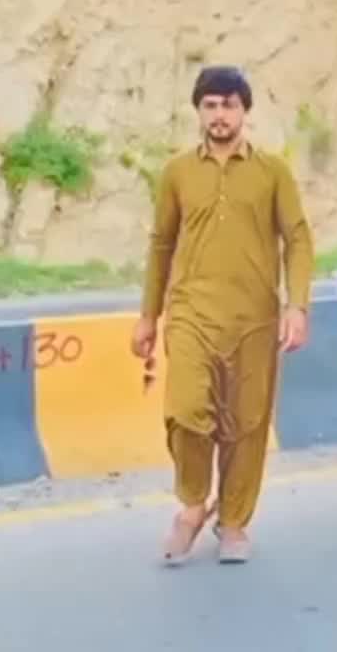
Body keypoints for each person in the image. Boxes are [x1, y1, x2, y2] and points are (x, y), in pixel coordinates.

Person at [131, 67, 313, 565]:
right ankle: (193, 503)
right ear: (198, 112)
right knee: (185, 410)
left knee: (246, 425)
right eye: (210, 105)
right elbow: (161, 244)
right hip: (191, 313)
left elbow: (297, 238)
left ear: (244, 111)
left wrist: (296, 305)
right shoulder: (177, 173)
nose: (219, 115)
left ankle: (233, 522)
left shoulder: (272, 172)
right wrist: (148, 316)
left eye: (229, 105)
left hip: (255, 319)